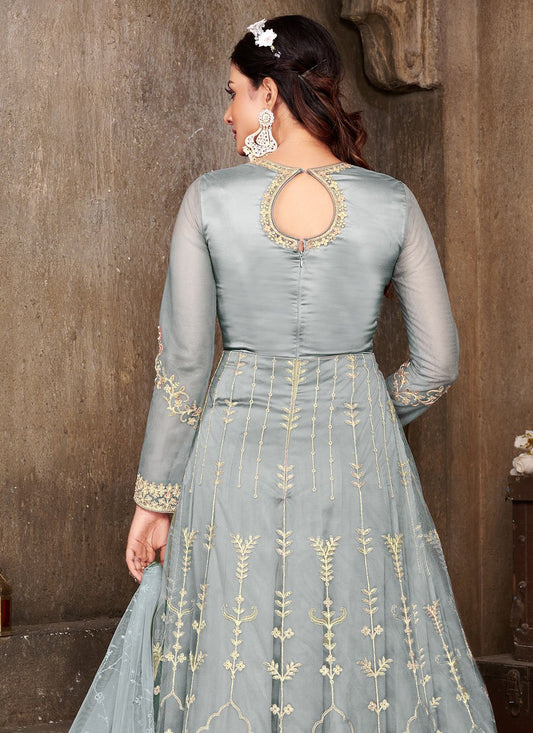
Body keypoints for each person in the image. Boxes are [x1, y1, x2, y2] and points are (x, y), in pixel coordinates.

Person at [70, 14, 496, 733]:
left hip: (232, 463)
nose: (227, 113)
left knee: (236, 652)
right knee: (355, 652)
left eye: (233, 92)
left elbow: (184, 363)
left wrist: (154, 500)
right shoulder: (391, 203)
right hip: (357, 468)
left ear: (269, 94)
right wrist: (364, 410)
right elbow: (437, 364)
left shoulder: (211, 199)